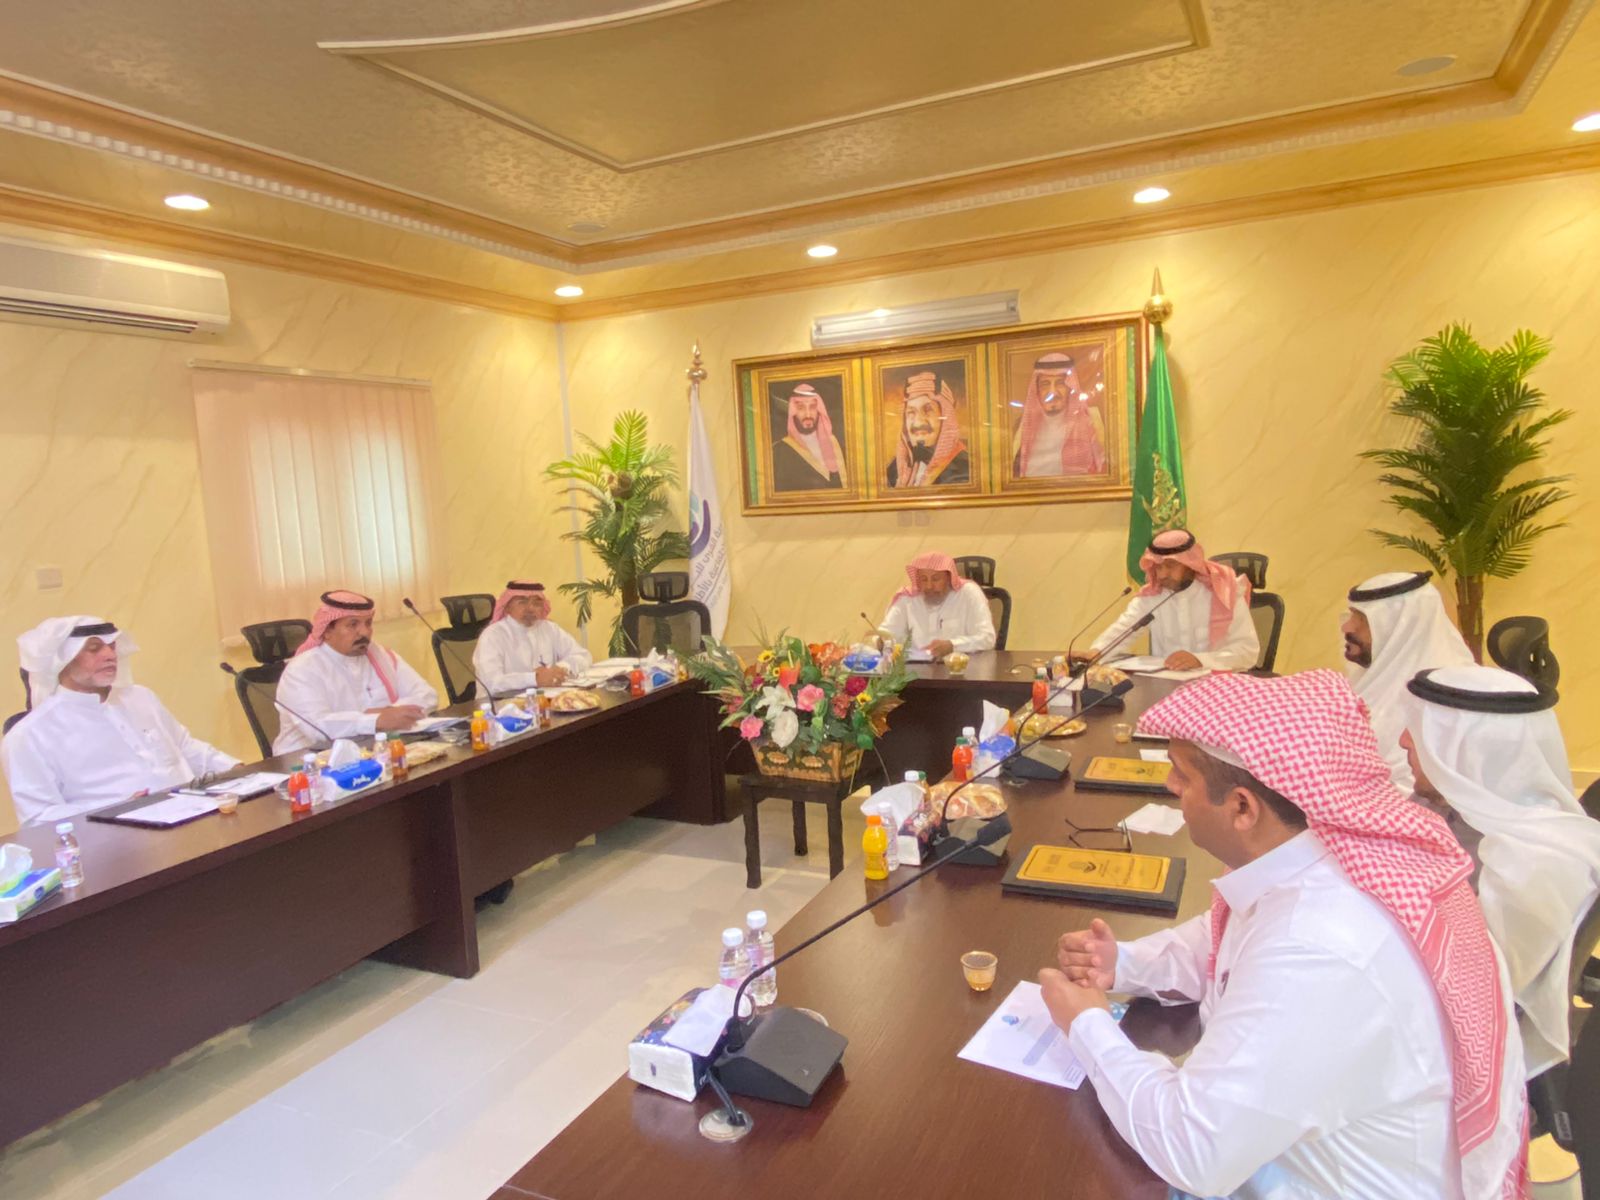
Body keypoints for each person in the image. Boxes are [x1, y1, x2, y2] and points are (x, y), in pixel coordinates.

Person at [1040, 669, 1528, 1200]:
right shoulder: (1318, 858)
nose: (1170, 786)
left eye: (1182, 775)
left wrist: (1086, 1024)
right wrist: (1126, 962)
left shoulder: (1320, 946)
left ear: (1242, 808)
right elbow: (1225, 937)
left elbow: (1193, 1149)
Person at [1402, 664, 1600, 1078]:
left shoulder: (1536, 861)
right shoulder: (1459, 812)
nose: (1403, 740)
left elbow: (1470, 991)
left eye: (1419, 731)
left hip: (1458, 1058)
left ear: (1468, 752)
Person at [2, 616, 238, 824]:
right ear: (62, 660)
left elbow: (185, 747)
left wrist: (237, 770)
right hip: (115, 844)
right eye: (94, 649)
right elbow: (38, 817)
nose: (109, 655)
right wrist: (114, 809)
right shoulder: (29, 735)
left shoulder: (140, 697)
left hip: (198, 815)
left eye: (111, 646)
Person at [1342, 569, 1473, 793]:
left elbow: (1417, 791)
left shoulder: (1448, 696)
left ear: (1399, 628)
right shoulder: (1371, 679)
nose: (1346, 627)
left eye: (1361, 619)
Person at [273, 590, 438, 755]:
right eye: (353, 625)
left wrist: (390, 712)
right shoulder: (302, 670)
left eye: (368, 623)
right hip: (306, 760)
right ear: (327, 631)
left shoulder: (381, 655)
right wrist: (377, 720)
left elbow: (427, 695)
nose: (364, 632)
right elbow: (318, 727)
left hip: (372, 751)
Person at [1077, 529, 1258, 671]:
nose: (1162, 574)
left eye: (1170, 566)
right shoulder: (1152, 596)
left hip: (1216, 687)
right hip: (1167, 688)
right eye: (1157, 567)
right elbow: (1123, 630)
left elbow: (1247, 652)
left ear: (1190, 564)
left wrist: (1200, 660)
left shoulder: (1224, 593)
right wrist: (1097, 653)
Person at [473, 580, 593, 695]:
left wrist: (561, 668)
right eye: (522, 602)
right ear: (507, 607)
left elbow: (583, 656)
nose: (530, 608)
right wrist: (534, 679)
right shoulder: (492, 636)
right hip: (500, 705)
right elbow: (492, 683)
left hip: (544, 700)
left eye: (536, 603)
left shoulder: (550, 628)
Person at [876, 552, 994, 659]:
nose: (929, 586)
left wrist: (953, 645)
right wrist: (881, 641)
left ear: (949, 578)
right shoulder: (906, 598)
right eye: (923, 579)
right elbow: (887, 633)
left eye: (936, 579)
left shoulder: (968, 593)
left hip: (962, 670)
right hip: (916, 671)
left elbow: (987, 638)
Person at [1011, 352, 1107, 478]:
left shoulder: (1092, 421)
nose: (1053, 392)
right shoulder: (1022, 427)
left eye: (1060, 383)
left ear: (1070, 388)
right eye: (1045, 384)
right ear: (1036, 390)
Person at [885, 371, 969, 488]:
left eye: (928, 410)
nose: (918, 422)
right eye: (911, 412)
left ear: (946, 418)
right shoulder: (893, 471)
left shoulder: (964, 470)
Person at [771, 383, 848, 492]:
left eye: (812, 407)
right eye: (800, 408)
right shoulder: (778, 452)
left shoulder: (838, 445)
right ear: (793, 412)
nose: (808, 415)